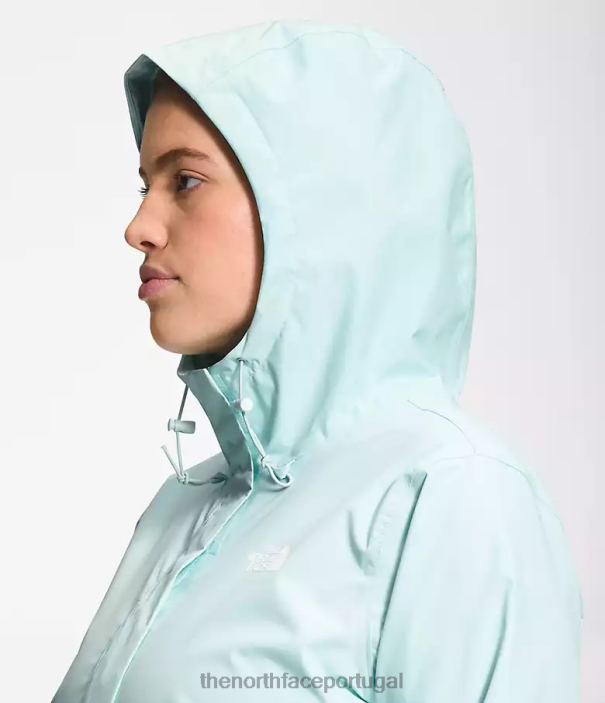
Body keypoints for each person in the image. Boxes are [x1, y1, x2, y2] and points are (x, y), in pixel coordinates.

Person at [52, 18, 583, 703]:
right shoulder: (181, 505)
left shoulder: (450, 494)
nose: (139, 227)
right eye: (143, 187)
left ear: (316, 207)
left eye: (184, 180)